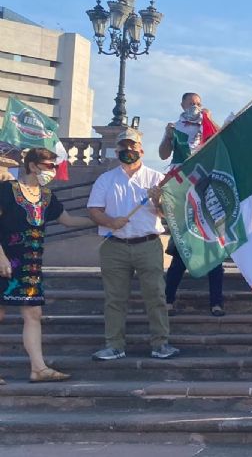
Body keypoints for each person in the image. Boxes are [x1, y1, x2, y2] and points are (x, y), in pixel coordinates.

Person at [0, 148, 94, 383]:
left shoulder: (47, 196)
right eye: (48, 166)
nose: (52, 171)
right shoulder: (6, 190)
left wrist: (103, 220)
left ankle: (38, 368)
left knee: (34, 313)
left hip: (30, 264)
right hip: (3, 259)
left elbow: (69, 220)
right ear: (32, 166)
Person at [87, 129, 179, 360]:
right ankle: (114, 345)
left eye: (132, 146)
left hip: (147, 243)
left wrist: (158, 199)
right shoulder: (106, 179)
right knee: (115, 298)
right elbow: (93, 210)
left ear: (141, 150)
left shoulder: (156, 178)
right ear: (117, 150)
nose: (128, 150)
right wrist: (110, 222)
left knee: (156, 295)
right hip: (114, 245)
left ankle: (160, 344)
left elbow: (166, 214)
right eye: (124, 147)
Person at [159, 92, 225, 317]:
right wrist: (168, 136)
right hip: (182, 190)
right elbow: (163, 154)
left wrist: (210, 118)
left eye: (198, 104)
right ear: (182, 105)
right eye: (191, 104)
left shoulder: (206, 124)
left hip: (204, 187)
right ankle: (168, 299)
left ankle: (217, 302)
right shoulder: (175, 126)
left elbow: (221, 139)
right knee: (180, 250)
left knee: (213, 247)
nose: (195, 107)